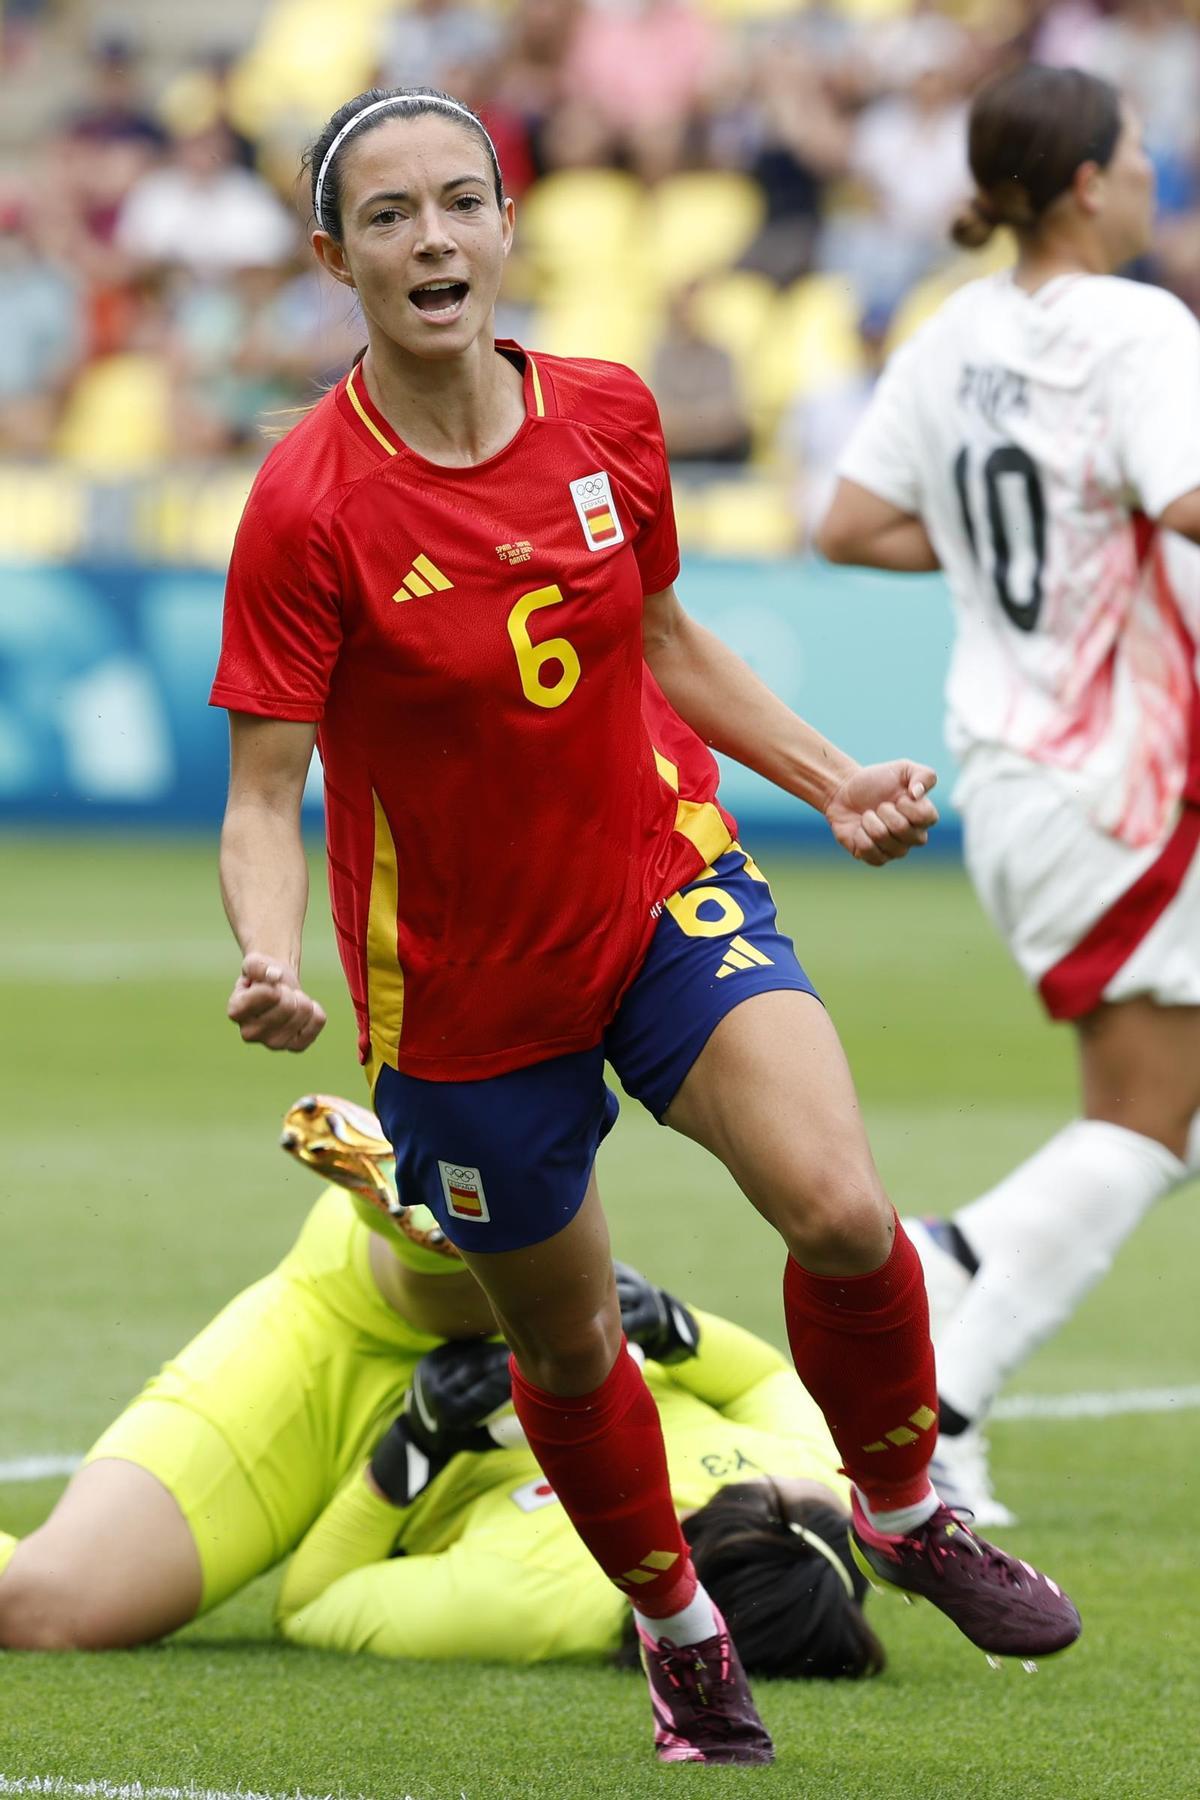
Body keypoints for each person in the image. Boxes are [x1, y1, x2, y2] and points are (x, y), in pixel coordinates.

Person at [210, 85, 1079, 1768]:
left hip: (660, 885)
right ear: (335, 259)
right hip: (462, 989)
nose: (431, 238)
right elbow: (265, 790)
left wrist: (827, 780)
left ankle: (905, 1510)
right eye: (388, 216)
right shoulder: (310, 503)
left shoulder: (606, 411)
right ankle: (682, 1634)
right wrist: (268, 951)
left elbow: (665, 640)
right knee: (566, 1340)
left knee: (842, 1210)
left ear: (506, 225)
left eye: (459, 202)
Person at [820, 62, 1200, 1525]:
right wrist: (1076, 522)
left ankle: (960, 1294)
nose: (1157, 171)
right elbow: (1186, 500)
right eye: (1143, 150)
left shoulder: (951, 335)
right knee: (1147, 1117)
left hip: (1015, 763)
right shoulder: (1137, 325)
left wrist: (1012, 540)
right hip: (1122, 774)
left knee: (1160, 1111)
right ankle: (949, 1359)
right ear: (1091, 181)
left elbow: (849, 523)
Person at [0, 1097, 881, 1686]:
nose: (773, 1492)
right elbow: (764, 1378)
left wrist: (412, 1449)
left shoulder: (545, 1603)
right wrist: (674, 1328)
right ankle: (442, 1209)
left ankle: (456, 1196)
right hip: (484, 1320)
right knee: (511, 1314)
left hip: (318, 1399)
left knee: (44, 1607)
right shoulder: (813, 1489)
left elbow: (313, 1602)